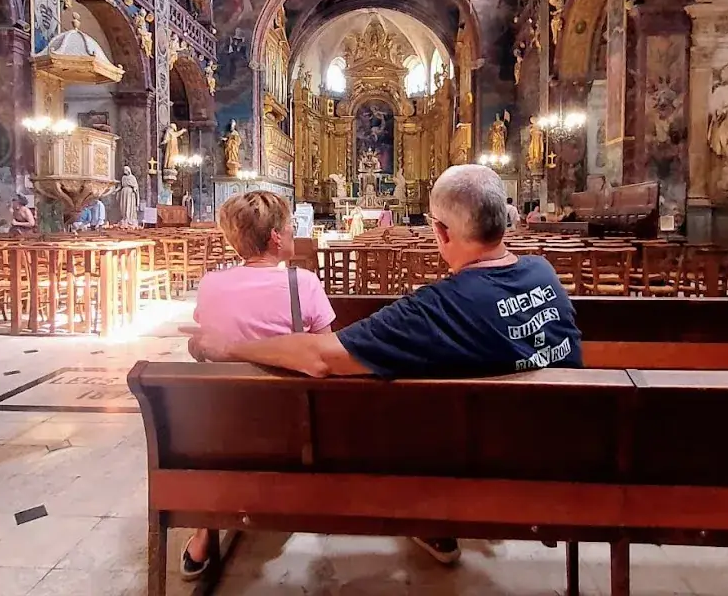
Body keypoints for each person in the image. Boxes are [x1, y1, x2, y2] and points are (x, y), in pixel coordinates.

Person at [193, 165, 582, 565]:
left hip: (483, 463)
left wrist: (234, 347)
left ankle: (428, 515)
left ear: (442, 232)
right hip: (564, 451)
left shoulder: (436, 308)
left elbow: (319, 357)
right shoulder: (543, 273)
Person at [181, 190, 335, 579]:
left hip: (223, 431)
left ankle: (206, 528)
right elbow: (327, 352)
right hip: (291, 425)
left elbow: (208, 338)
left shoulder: (211, 284)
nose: (292, 230)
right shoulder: (304, 283)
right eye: (289, 226)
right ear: (275, 239)